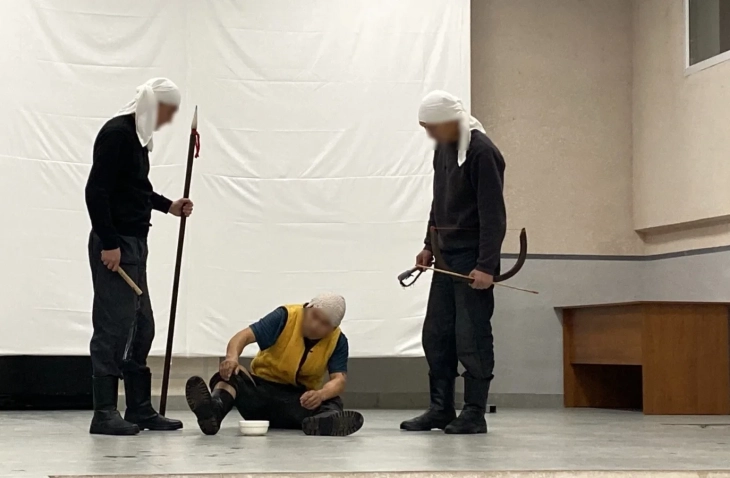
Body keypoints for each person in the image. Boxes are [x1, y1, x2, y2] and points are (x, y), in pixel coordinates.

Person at [84, 78, 194, 436]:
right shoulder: (117, 134)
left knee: (141, 325)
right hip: (116, 244)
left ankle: (139, 408)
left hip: (134, 244)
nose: (168, 119)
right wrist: (109, 242)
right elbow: (96, 191)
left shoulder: (138, 140)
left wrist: (169, 206)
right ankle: (104, 412)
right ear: (151, 104)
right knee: (114, 325)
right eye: (167, 111)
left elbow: (136, 190)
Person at [400, 91, 506, 435]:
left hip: (472, 259)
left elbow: (493, 215)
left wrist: (487, 265)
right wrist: (428, 245)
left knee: (471, 336)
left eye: (431, 127)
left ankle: (474, 412)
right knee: (437, 334)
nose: (429, 134)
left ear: (448, 121)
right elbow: (439, 201)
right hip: (446, 256)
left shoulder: (483, 153)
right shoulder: (444, 149)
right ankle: (440, 408)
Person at [184, 293, 364, 436]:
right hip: (260, 394)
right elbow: (243, 337)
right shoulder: (285, 317)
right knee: (232, 375)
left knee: (331, 399)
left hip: (298, 401)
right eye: (314, 316)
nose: (316, 325)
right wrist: (231, 358)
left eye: (324, 324)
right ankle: (212, 412)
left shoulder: (338, 341)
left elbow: (339, 380)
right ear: (307, 308)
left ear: (333, 329)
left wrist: (320, 394)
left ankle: (321, 423)